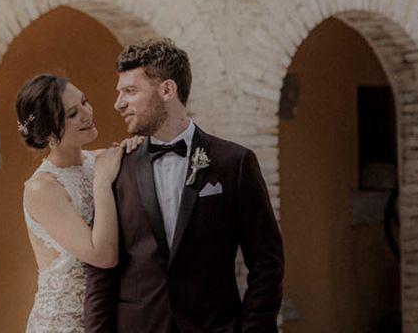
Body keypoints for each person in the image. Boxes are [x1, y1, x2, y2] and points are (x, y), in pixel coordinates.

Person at [84, 39, 284, 333]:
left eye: (130, 91)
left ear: (167, 90)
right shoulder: (116, 168)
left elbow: (267, 260)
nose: (118, 103)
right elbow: (102, 272)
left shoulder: (234, 162)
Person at [16, 74, 135, 333]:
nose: (87, 114)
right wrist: (102, 183)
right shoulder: (42, 188)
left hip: (107, 316)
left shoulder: (102, 160)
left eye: (85, 102)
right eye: (72, 113)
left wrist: (134, 147)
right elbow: (102, 255)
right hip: (64, 322)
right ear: (49, 131)